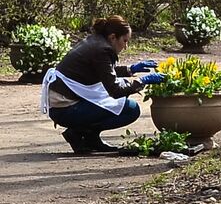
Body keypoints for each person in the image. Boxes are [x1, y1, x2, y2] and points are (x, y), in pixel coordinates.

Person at [38, 16, 167, 155]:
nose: (126, 46)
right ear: (113, 37)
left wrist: (131, 69)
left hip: (63, 104)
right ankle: (79, 133)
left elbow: (103, 71)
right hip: (65, 109)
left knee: (124, 93)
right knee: (131, 109)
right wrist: (142, 81)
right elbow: (115, 90)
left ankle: (89, 137)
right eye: (124, 41)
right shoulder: (102, 50)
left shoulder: (95, 42)